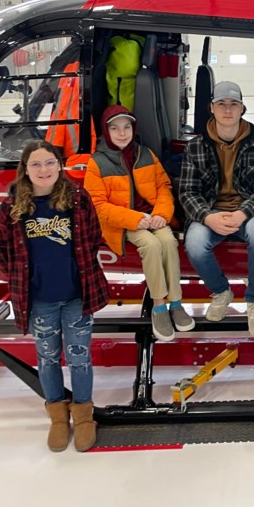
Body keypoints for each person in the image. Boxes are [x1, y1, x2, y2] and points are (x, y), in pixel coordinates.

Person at [0, 140, 109, 453]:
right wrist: (23, 279)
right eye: (36, 165)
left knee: (80, 356)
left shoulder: (78, 199)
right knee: (47, 357)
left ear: (60, 165)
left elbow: (93, 238)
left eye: (50, 163)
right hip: (39, 299)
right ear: (25, 169)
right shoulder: (10, 208)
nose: (44, 170)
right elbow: (1, 252)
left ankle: (83, 416)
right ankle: (58, 417)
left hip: (76, 297)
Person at [84, 104, 190, 342]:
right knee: (151, 245)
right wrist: (135, 219)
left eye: (126, 127)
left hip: (153, 216)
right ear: (106, 131)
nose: (122, 133)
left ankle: (176, 302)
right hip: (122, 223)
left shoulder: (146, 154)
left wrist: (162, 213)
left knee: (167, 241)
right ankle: (159, 307)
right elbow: (98, 206)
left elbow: (164, 186)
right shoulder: (97, 163)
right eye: (115, 128)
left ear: (133, 129)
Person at [180, 80, 254, 337]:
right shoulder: (195, 146)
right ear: (211, 107)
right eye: (221, 104)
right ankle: (221, 291)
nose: (227, 110)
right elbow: (187, 192)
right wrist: (207, 217)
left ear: (242, 108)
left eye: (234, 104)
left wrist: (243, 212)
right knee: (195, 242)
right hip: (211, 213)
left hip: (248, 213)